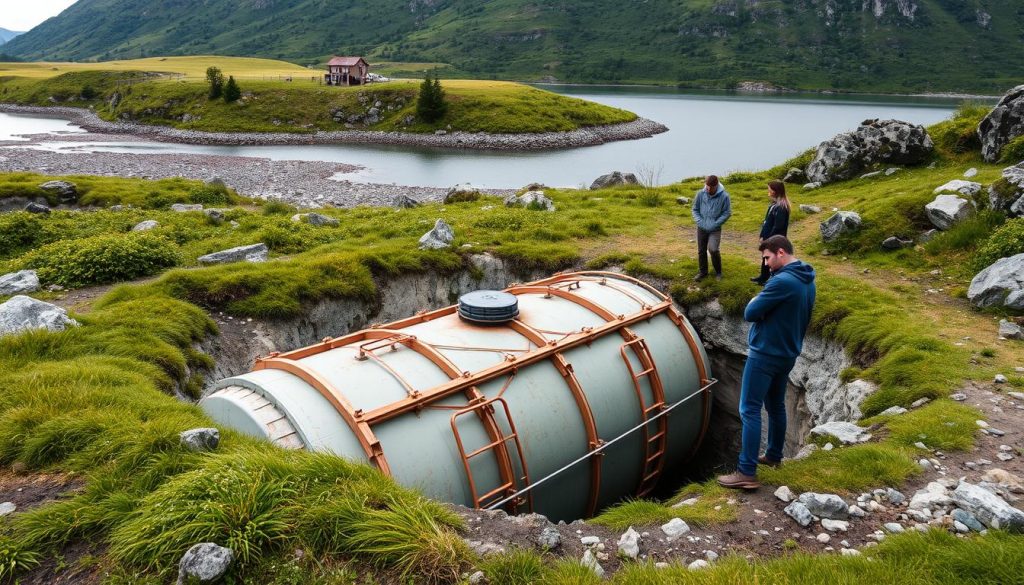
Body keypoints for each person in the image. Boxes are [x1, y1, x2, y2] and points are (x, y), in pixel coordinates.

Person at [717, 235, 816, 490]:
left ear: (780, 252)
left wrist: (755, 301)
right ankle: (773, 455)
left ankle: (746, 472)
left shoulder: (782, 281)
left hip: (765, 354)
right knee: (775, 405)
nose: (765, 263)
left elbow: (750, 312)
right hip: (787, 354)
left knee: (748, 408)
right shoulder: (807, 278)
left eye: (767, 257)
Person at [691, 175, 732, 281]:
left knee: (713, 249)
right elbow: (695, 209)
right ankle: (703, 272)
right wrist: (700, 221)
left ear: (716, 186)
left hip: (715, 228)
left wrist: (716, 223)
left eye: (711, 187)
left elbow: (727, 212)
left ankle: (718, 272)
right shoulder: (700, 194)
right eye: (707, 186)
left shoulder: (724, 196)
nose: (708, 189)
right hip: (701, 227)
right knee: (701, 250)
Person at [751, 180, 791, 285]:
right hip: (769, 237)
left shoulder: (781, 207)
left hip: (775, 239)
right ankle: (763, 277)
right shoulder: (775, 204)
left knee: (774, 259)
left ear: (775, 191)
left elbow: (778, 226)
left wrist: (769, 239)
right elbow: (768, 222)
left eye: (770, 189)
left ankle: (773, 280)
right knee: (766, 256)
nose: (768, 190)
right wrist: (762, 235)